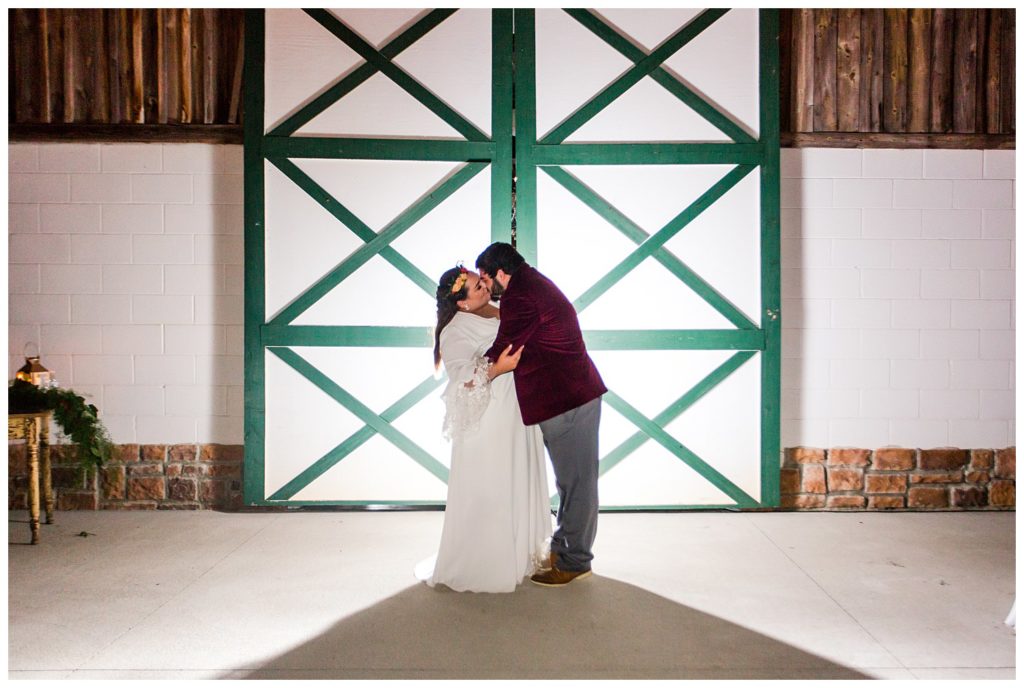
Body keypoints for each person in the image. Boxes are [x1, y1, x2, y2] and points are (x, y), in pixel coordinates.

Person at [414, 265, 552, 593]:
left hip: (518, 410)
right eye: (477, 288)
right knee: (494, 485)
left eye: (482, 283)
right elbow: (462, 379)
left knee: (521, 475)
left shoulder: (500, 308)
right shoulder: (455, 330)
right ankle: (489, 559)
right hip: (490, 421)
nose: (485, 289)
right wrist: (499, 367)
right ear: (462, 304)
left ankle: (525, 552)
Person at [476, 242, 607, 587]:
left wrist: (471, 373)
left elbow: (505, 348)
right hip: (573, 396)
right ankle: (565, 549)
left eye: (485, 281)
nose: (486, 290)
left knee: (577, 484)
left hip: (568, 401)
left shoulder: (520, 295)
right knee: (572, 482)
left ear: (500, 274)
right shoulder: (531, 283)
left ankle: (575, 561)